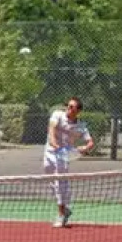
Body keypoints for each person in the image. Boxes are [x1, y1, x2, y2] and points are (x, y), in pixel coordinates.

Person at [43, 96, 94, 228]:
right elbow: (52, 128)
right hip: (49, 152)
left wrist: (85, 148)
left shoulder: (80, 126)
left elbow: (90, 142)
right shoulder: (58, 115)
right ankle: (65, 208)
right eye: (68, 106)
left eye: (72, 107)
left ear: (78, 111)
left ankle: (61, 214)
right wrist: (53, 143)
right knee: (52, 181)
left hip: (63, 156)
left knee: (60, 183)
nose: (68, 108)